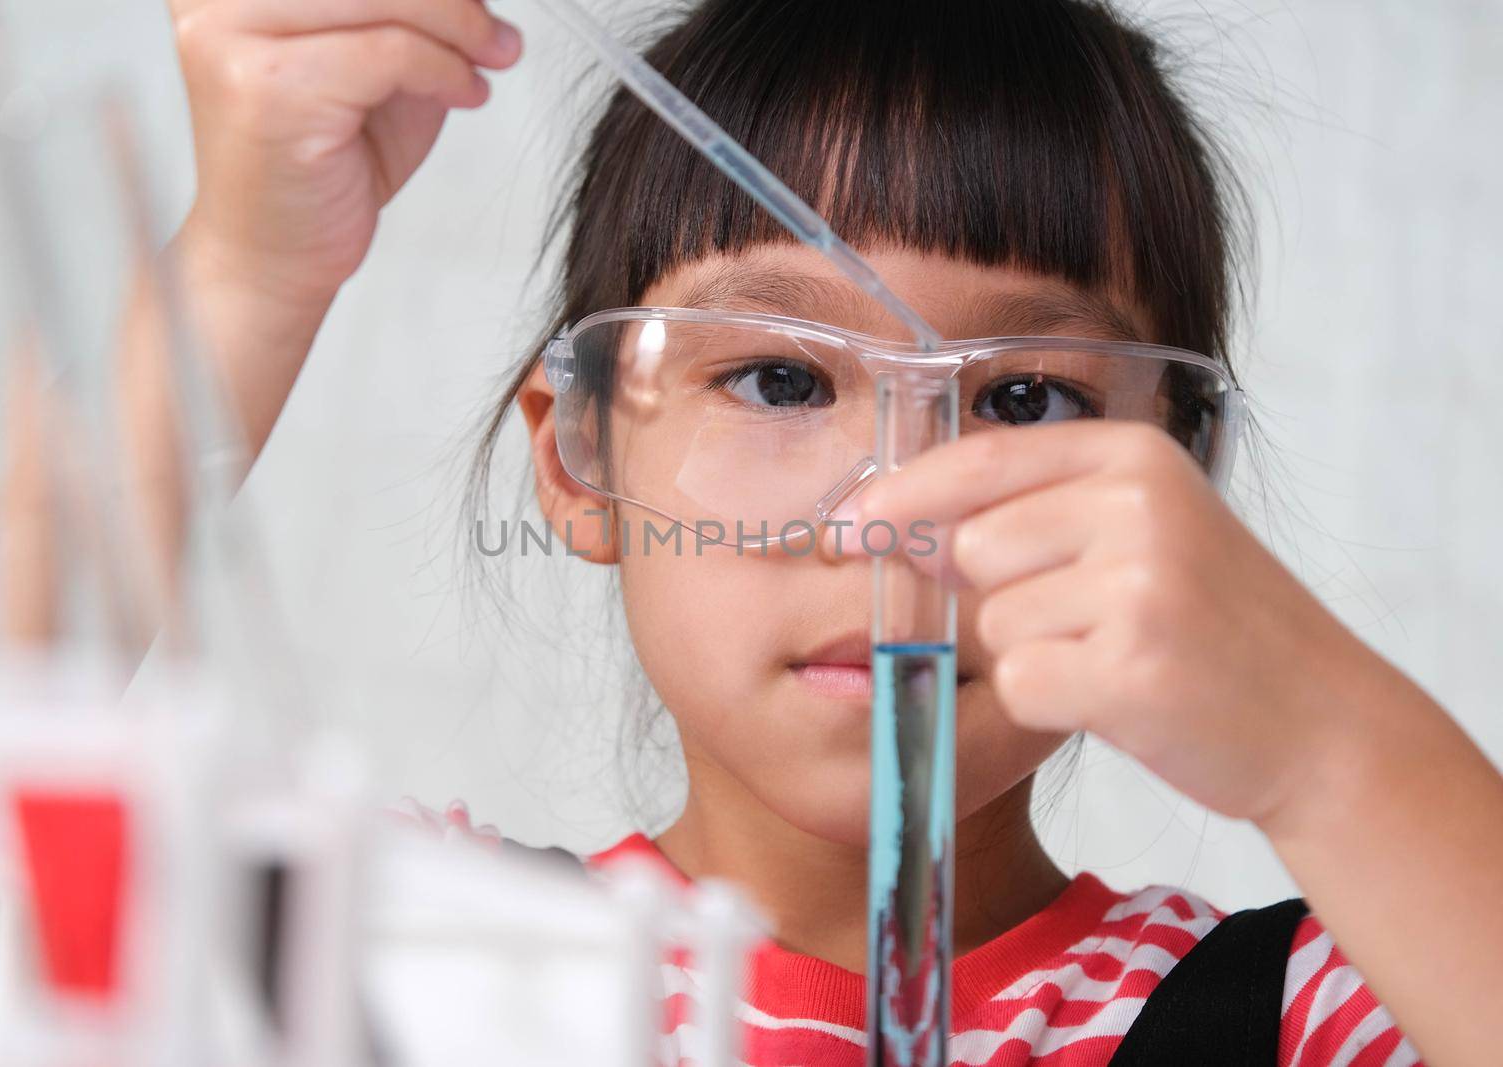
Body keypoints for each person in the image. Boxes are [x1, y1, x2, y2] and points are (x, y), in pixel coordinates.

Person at [157, 0, 1503, 1063]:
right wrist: (245, 268)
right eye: (782, 379)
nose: (897, 517)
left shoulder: (1318, 1013)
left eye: (1025, 397)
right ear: (580, 458)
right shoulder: (416, 960)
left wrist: (1325, 750)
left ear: (1180, 497)